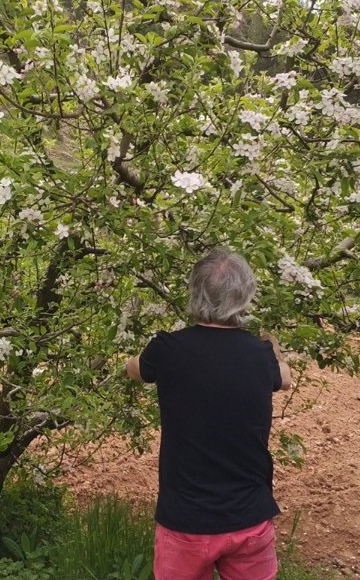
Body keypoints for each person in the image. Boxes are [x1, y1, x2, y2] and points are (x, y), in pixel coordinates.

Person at [125, 248, 292, 580]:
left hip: (185, 521)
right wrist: (274, 347)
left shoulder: (168, 349)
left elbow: (135, 369)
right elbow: (284, 378)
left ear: (195, 292)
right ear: (245, 296)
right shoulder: (260, 354)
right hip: (249, 516)